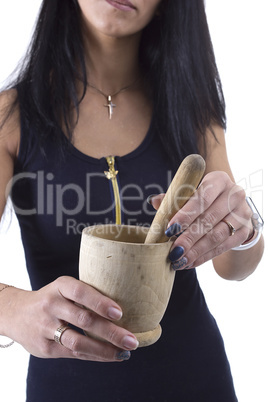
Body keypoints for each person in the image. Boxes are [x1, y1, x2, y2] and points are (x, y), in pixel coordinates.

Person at [0, 0, 264, 401]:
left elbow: (234, 267)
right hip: (66, 387)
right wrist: (12, 309)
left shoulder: (192, 110)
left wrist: (244, 225)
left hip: (195, 380)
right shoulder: (11, 116)